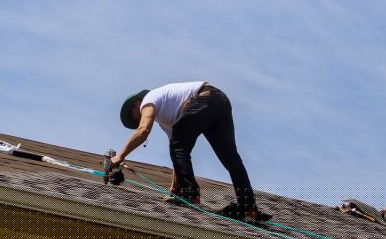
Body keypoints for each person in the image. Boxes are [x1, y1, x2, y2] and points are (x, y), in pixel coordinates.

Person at [112, 81, 270, 223]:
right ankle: (249, 208)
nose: (137, 120)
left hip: (204, 98)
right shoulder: (168, 117)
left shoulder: (148, 100)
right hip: (219, 101)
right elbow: (178, 155)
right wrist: (174, 190)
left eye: (135, 117)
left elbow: (143, 130)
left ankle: (191, 194)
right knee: (231, 159)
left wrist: (120, 156)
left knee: (179, 145)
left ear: (137, 104)